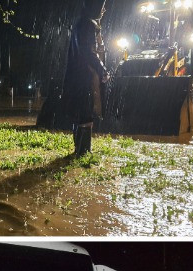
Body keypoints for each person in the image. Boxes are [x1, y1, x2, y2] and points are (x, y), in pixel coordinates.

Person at [61, 0, 108, 156]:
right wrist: (102, 70)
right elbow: (89, 52)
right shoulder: (87, 25)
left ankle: (80, 151)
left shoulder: (81, 23)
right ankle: (83, 153)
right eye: (101, 7)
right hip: (83, 77)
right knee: (85, 113)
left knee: (81, 114)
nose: (103, 10)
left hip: (76, 77)